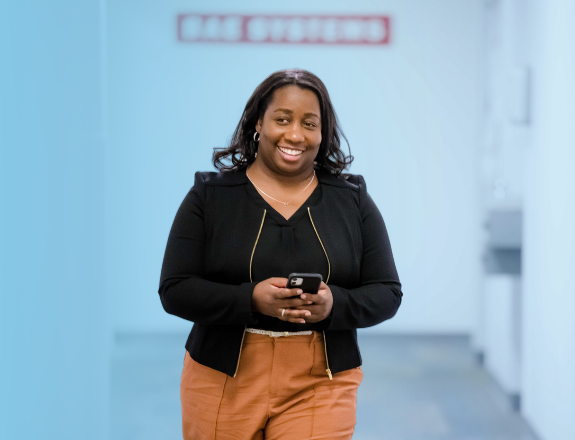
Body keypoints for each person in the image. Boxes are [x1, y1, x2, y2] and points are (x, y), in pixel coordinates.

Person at [158, 68, 402, 440]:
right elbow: (174, 289)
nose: (294, 134)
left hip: (321, 378)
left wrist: (334, 304)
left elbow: (387, 291)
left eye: (309, 123)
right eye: (282, 119)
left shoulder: (352, 201)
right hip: (221, 376)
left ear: (323, 133)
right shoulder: (209, 197)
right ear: (259, 122)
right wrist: (250, 298)